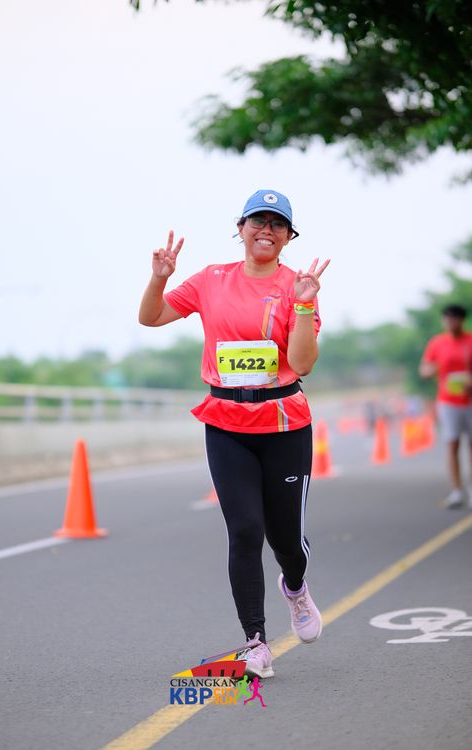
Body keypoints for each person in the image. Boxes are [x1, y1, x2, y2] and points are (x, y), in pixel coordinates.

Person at [139, 189, 330, 678]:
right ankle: (255, 642)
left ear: (288, 236)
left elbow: (303, 363)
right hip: (226, 422)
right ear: (240, 228)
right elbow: (151, 317)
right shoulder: (210, 279)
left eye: (277, 224)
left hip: (284, 423)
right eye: (257, 221)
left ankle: (295, 588)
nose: (266, 230)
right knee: (244, 530)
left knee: (286, 541)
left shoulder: (297, 285)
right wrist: (160, 278)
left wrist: (304, 306)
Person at [419, 304, 472, 509]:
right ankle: (457, 490)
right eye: (446, 319)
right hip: (448, 401)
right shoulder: (437, 343)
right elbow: (424, 369)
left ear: (461, 320)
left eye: (453, 319)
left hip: (470, 400)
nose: (449, 322)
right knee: (453, 444)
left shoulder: (469, 341)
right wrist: (430, 371)